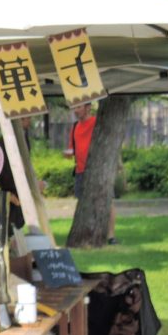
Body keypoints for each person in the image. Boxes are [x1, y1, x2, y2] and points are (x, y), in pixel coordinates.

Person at [65, 102, 117, 244]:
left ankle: (111, 236)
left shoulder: (96, 122)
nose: (76, 110)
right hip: (80, 171)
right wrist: (69, 154)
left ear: (88, 107)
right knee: (83, 202)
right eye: (74, 107)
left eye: (78, 107)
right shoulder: (75, 127)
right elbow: (72, 148)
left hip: (97, 171)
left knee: (108, 201)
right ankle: (86, 234)